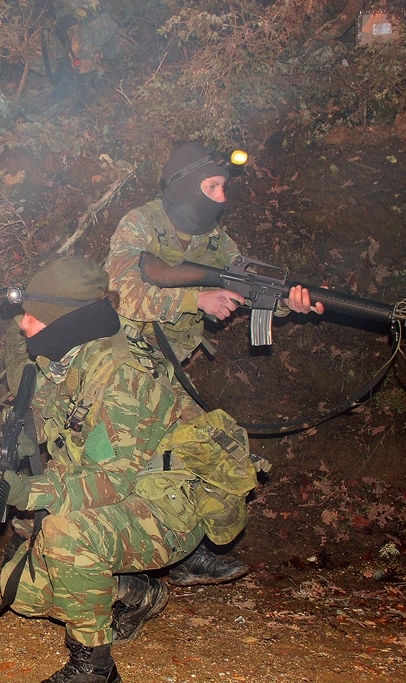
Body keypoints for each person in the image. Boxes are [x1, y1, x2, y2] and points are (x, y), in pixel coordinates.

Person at [0, 257, 259, 683]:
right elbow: (44, 411)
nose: (23, 325)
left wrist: (27, 491)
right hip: (117, 495)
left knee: (66, 537)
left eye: (34, 317)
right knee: (24, 593)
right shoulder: (67, 358)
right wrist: (18, 441)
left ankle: (93, 667)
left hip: (167, 508)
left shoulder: (125, 379)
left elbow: (111, 482)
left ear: (66, 322)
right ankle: (137, 592)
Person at [103, 141, 322, 585]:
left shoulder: (217, 241)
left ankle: (180, 547)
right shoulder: (141, 224)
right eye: (212, 187)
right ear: (185, 184)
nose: (221, 198)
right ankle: (98, 547)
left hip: (166, 367)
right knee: (129, 456)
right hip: (116, 358)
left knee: (203, 446)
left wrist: (289, 302)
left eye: (225, 188)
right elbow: (120, 294)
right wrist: (195, 299)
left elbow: (248, 283)